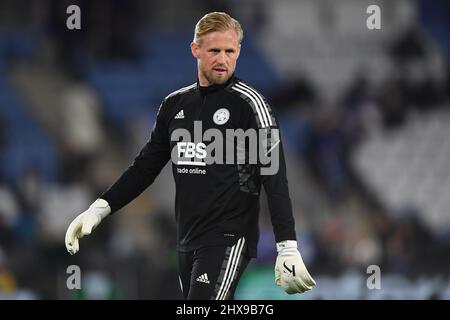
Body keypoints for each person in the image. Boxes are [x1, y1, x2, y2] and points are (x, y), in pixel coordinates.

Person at [65, 12, 315, 300]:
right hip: (187, 239)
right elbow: (144, 168)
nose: (222, 59)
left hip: (230, 238)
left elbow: (275, 181)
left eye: (230, 51)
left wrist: (287, 246)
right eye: (214, 50)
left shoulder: (254, 107)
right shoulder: (174, 107)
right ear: (196, 50)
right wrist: (100, 208)